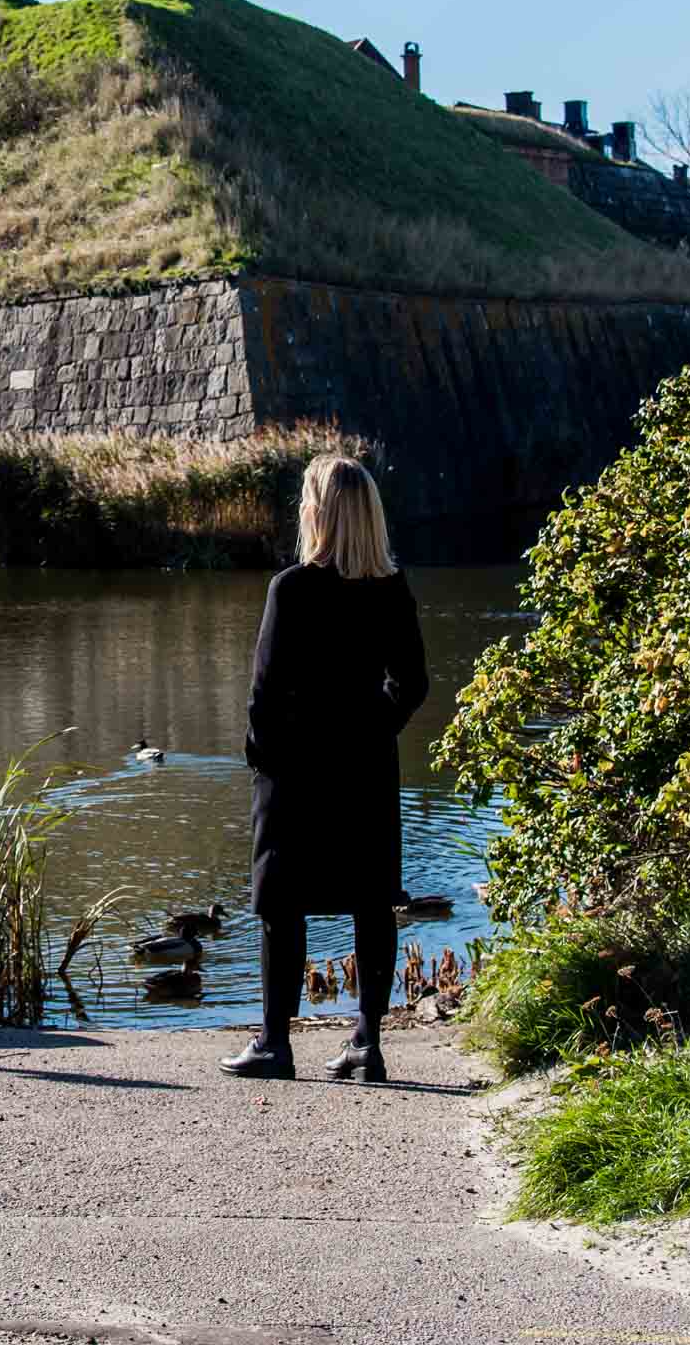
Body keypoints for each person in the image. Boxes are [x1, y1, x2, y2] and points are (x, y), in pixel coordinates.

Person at [223, 455, 428, 1082]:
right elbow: (413, 683)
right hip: (365, 767)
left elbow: (265, 691)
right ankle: (367, 1044)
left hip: (296, 771)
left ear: (318, 512)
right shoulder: (391, 589)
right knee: (371, 901)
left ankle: (274, 1043)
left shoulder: (291, 588)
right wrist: (374, 730)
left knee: (281, 903)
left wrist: (266, 759)